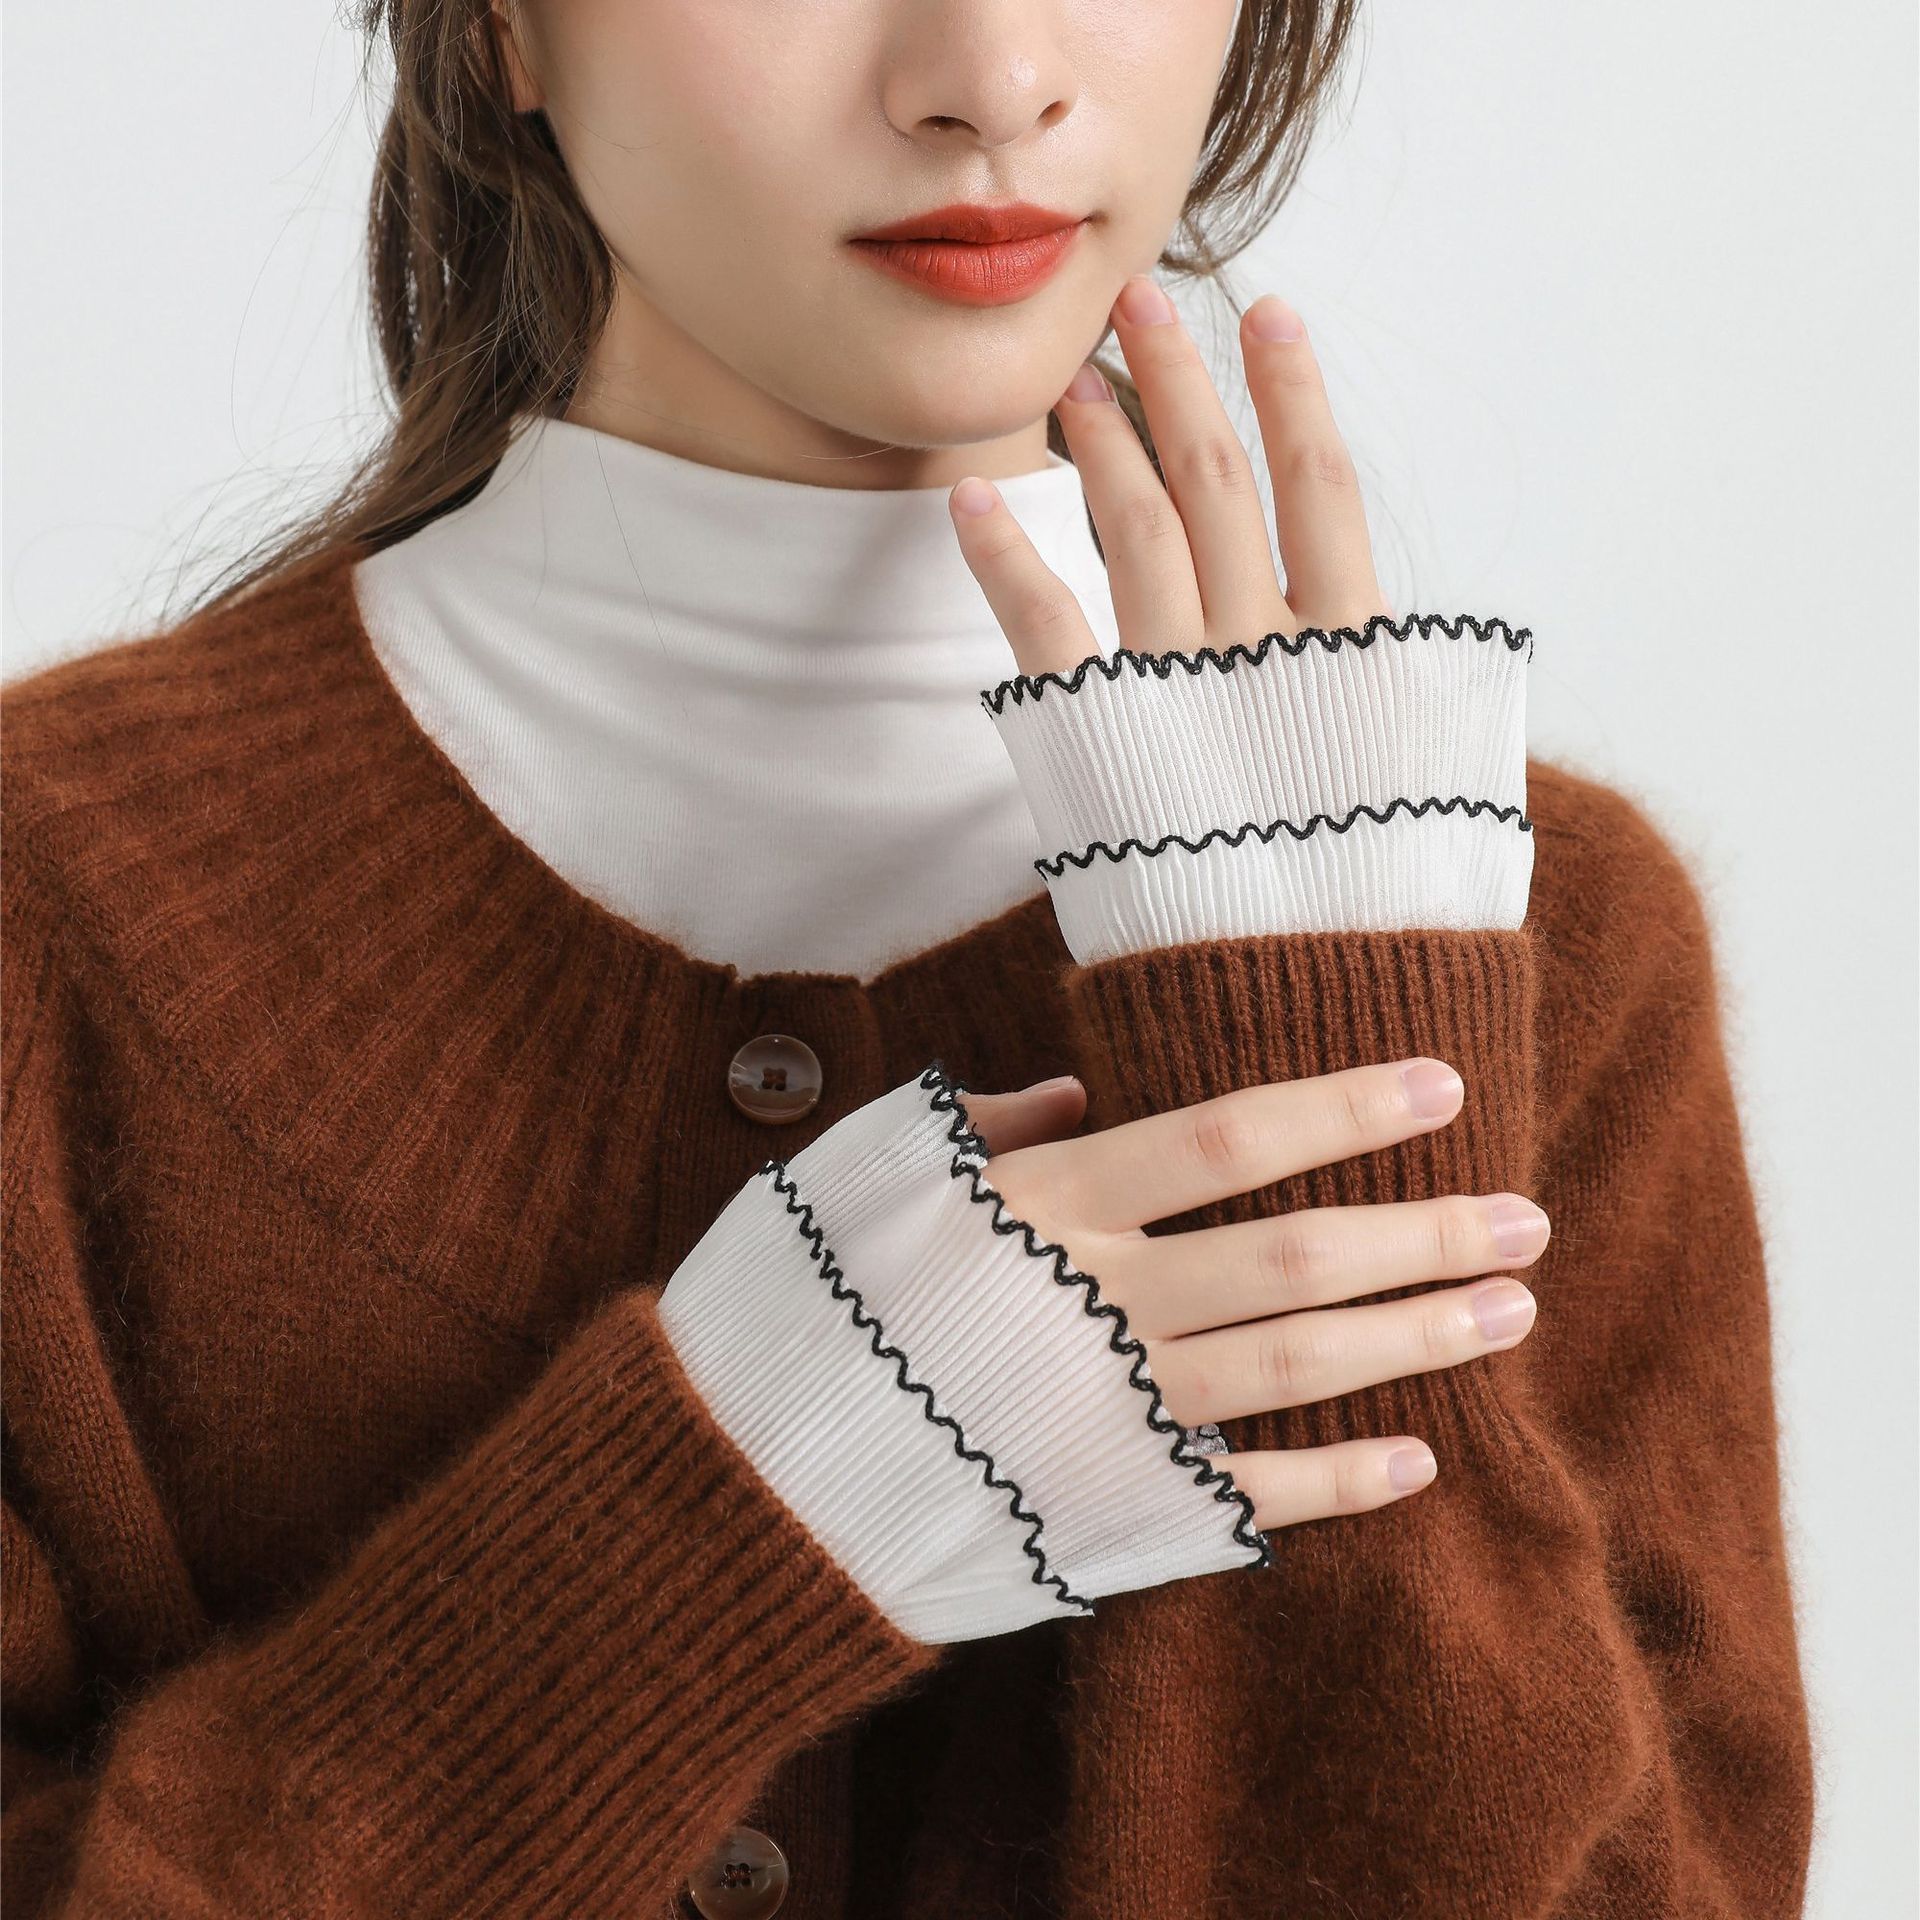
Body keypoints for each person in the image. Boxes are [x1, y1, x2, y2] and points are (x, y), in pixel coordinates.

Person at [0, 2, 1814, 1915]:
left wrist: (1321, 1076)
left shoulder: (1537, 945)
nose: (992, 78)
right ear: (501, 28)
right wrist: (710, 1538)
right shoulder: (45, 920)